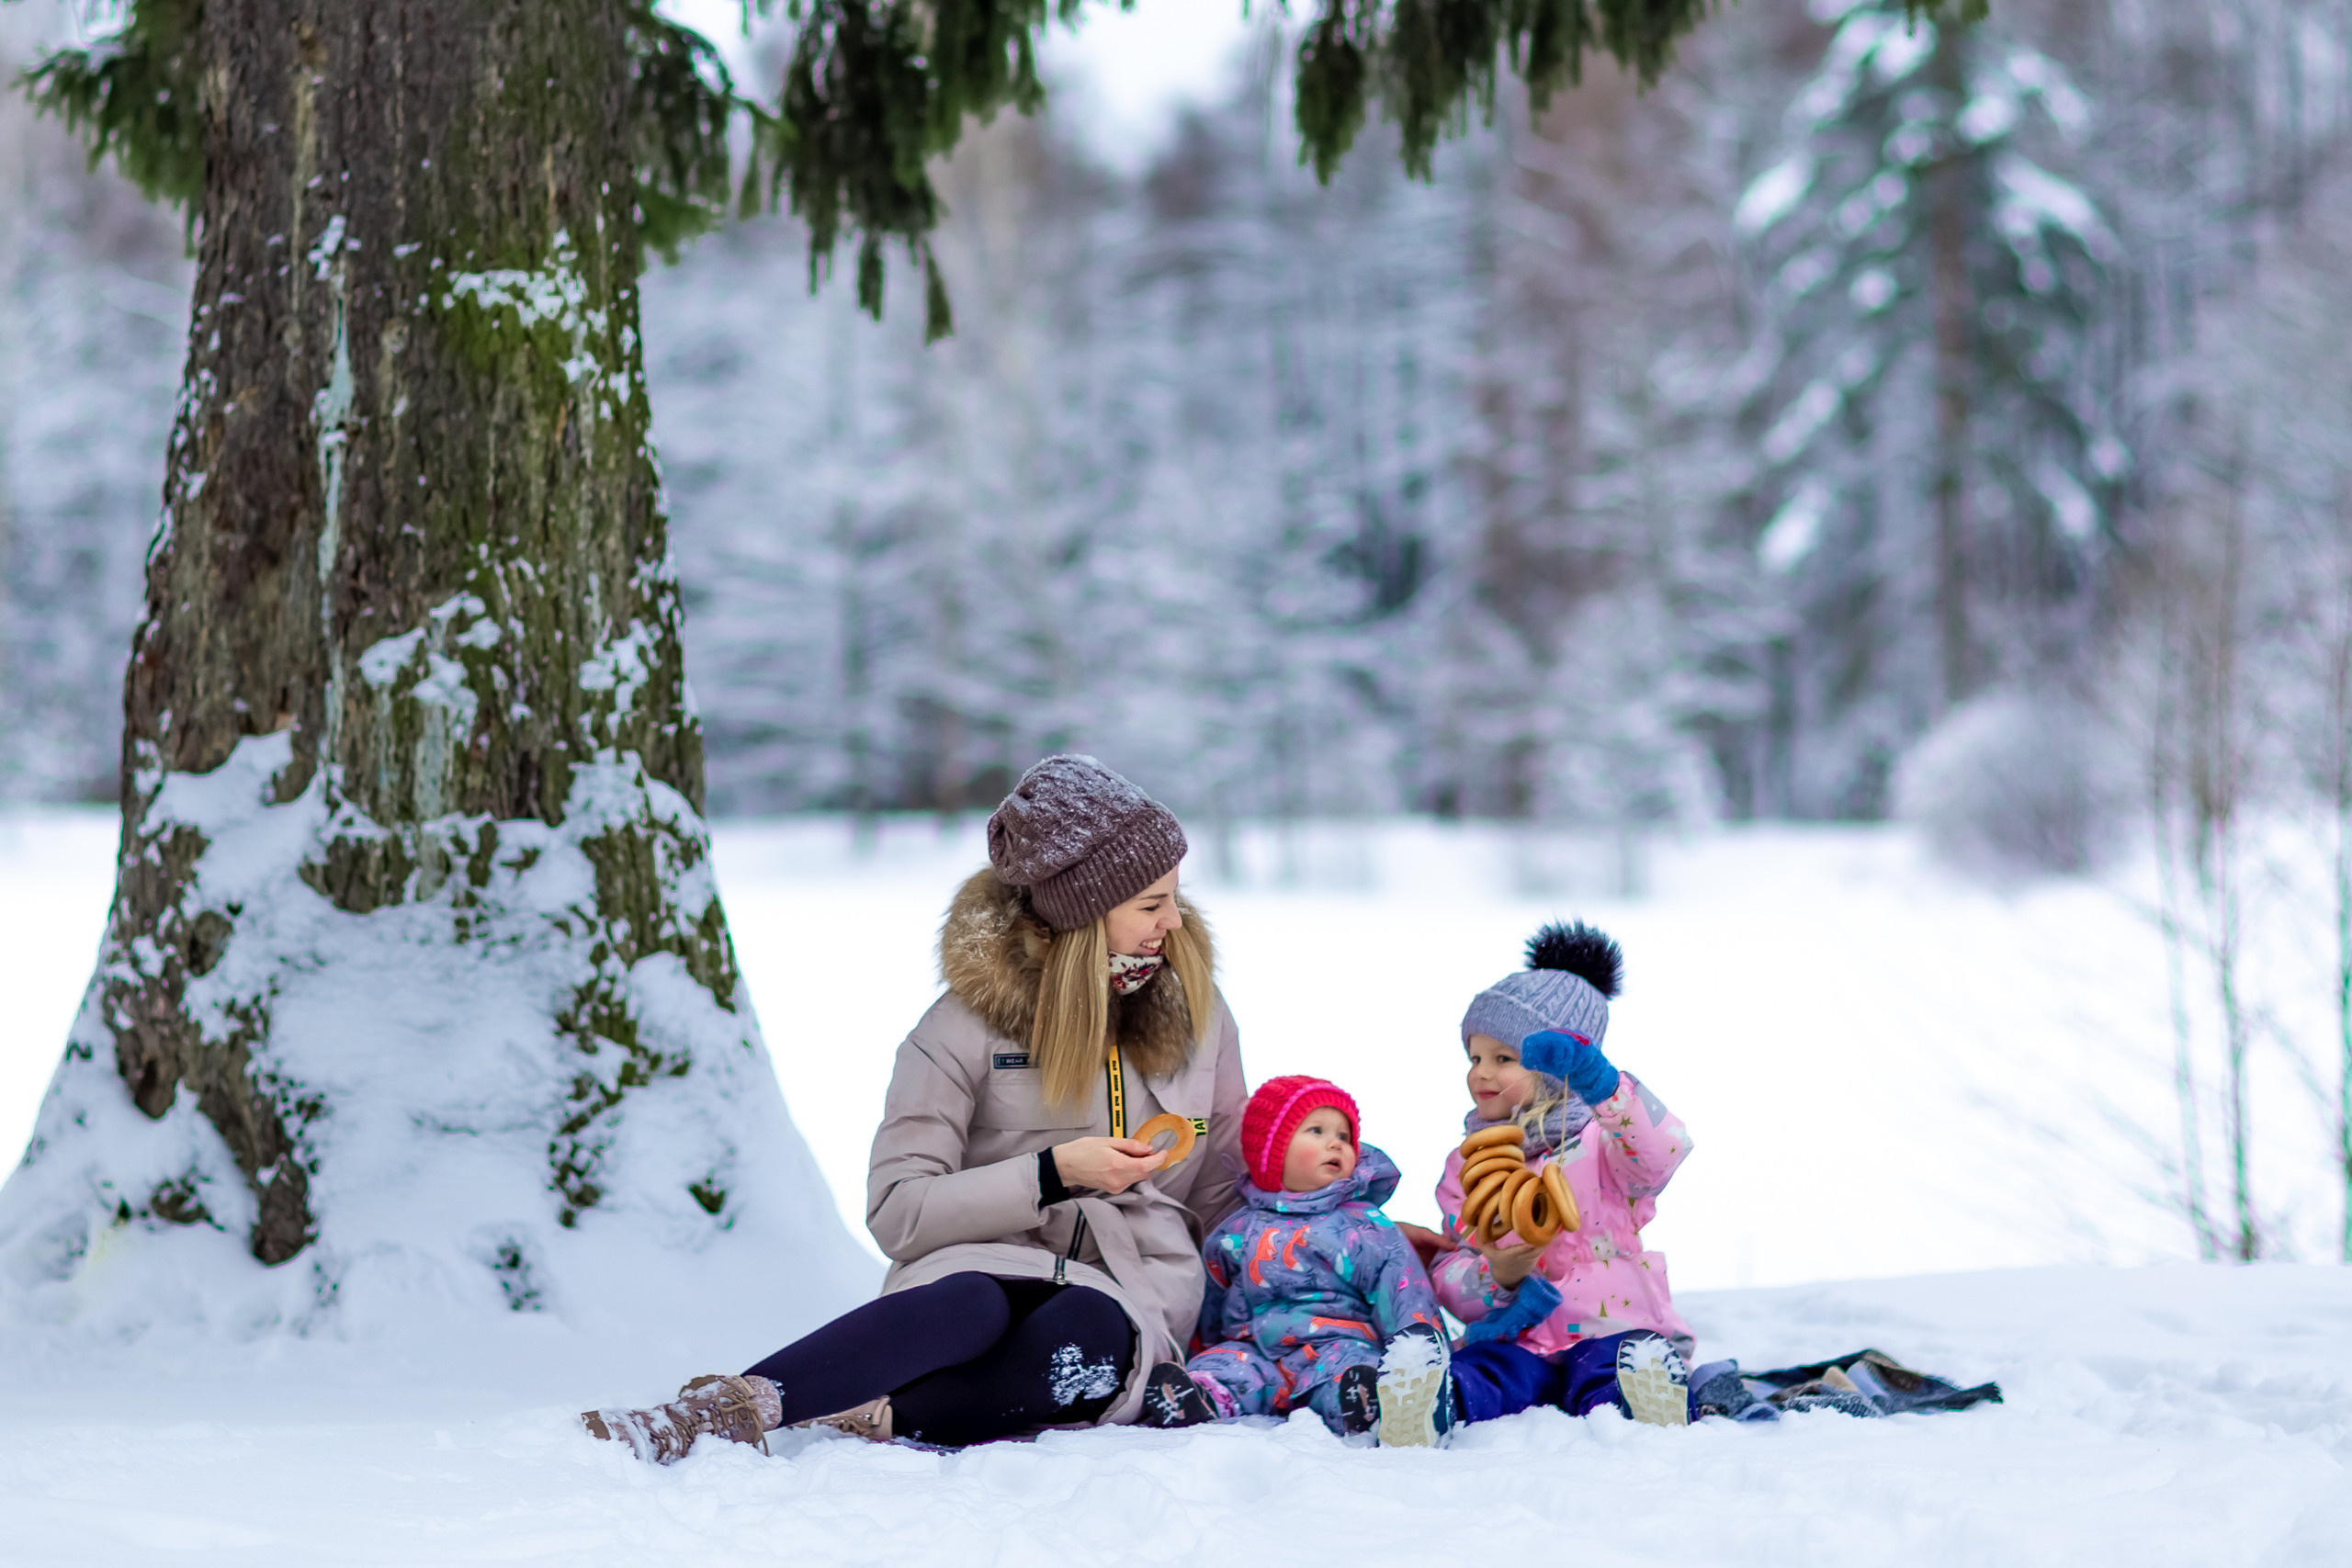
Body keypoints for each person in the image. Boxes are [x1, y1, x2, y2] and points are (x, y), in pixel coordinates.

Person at [581, 755, 1250, 1460]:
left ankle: (878, 1410)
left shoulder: (1198, 1016)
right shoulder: (959, 1029)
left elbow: (1225, 1189)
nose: (1173, 921)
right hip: (980, 1263)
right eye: (1150, 903)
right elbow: (897, 1210)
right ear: (1082, 911)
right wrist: (1050, 1174)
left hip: (1132, 1293)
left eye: (1174, 896)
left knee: (1086, 1327)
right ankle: (722, 1409)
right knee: (972, 1303)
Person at [1424, 919, 1700, 1429]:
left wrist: (1603, 1085)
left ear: (1554, 1068)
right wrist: (1495, 1277)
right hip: (1517, 1337)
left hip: (1609, 1327)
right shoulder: (1469, 1163)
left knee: (1614, 1368)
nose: (1480, 1072)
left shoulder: (1602, 1142)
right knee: (1483, 1371)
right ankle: (1434, 1403)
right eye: (1474, 1056)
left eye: (1503, 1058)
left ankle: (1643, 1401)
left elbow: (1662, 1150)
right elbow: (1450, 1265)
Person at [1152, 1076, 1453, 1446]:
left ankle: (1363, 1404)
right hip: (1257, 1351)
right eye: (1317, 1131)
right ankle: (1199, 1396)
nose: (1336, 1143)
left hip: (1337, 1343)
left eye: (1344, 1137)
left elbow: (1404, 1290)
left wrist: (1420, 1352)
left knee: (1351, 1370)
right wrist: (1200, 1351)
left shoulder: (1364, 1227)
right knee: (1226, 1365)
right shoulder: (1237, 1230)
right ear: (1271, 1152)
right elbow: (1210, 1301)